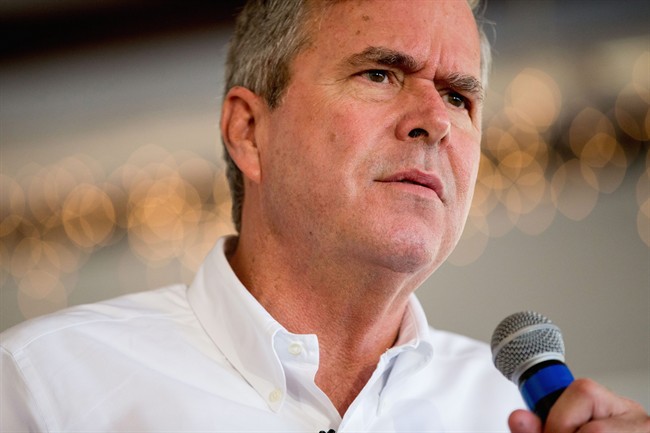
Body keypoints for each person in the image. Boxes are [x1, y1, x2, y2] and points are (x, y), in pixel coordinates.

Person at [1, 0, 648, 431]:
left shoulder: (512, 411)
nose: (435, 120)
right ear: (249, 131)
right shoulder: (46, 387)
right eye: (379, 74)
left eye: (458, 95)